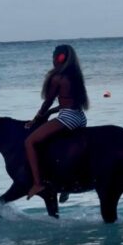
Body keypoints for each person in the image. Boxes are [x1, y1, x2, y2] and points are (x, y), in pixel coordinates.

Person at [25, 44, 89, 199]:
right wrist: (51, 113)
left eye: (54, 57)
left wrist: (36, 119)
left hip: (67, 118)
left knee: (30, 142)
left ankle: (38, 183)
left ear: (59, 58)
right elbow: (68, 102)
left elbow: (48, 101)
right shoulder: (75, 75)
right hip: (80, 117)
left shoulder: (57, 78)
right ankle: (66, 183)